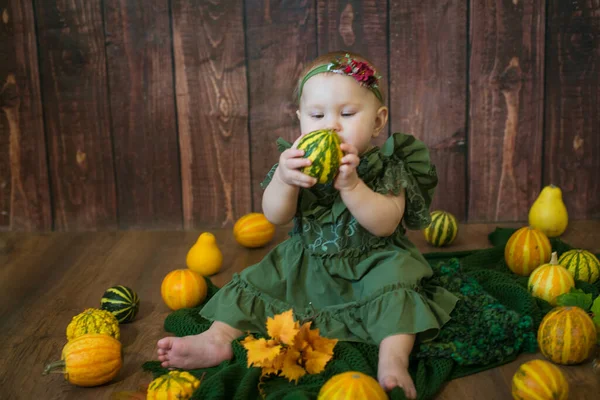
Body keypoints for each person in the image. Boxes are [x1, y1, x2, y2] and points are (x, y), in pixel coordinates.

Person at [157, 51, 458, 399]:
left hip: (374, 261)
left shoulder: (385, 166)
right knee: (256, 284)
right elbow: (275, 216)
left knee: (397, 296)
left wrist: (353, 187)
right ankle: (218, 338)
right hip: (307, 262)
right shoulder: (296, 164)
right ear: (300, 119)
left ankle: (392, 358)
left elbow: (385, 224)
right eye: (317, 115)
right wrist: (285, 181)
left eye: (347, 113)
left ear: (378, 121)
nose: (331, 125)